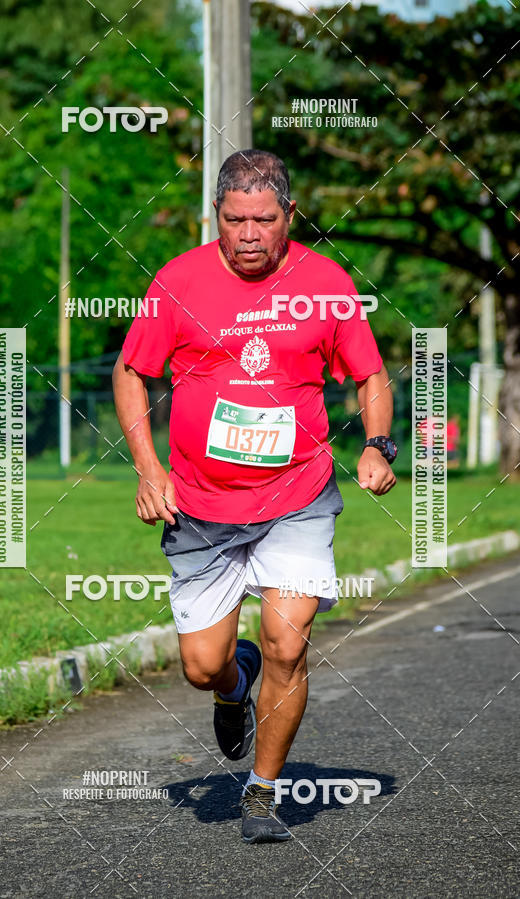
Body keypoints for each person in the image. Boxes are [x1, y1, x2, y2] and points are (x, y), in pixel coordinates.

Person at [113, 149, 397, 843]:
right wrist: (149, 468)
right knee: (201, 664)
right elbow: (131, 372)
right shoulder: (177, 281)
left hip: (297, 493)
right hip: (202, 506)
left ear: (289, 216)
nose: (247, 234)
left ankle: (263, 792)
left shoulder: (324, 282)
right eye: (234, 219)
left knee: (287, 643)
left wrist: (377, 444)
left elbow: (373, 374)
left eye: (263, 220)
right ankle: (234, 683)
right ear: (217, 214)